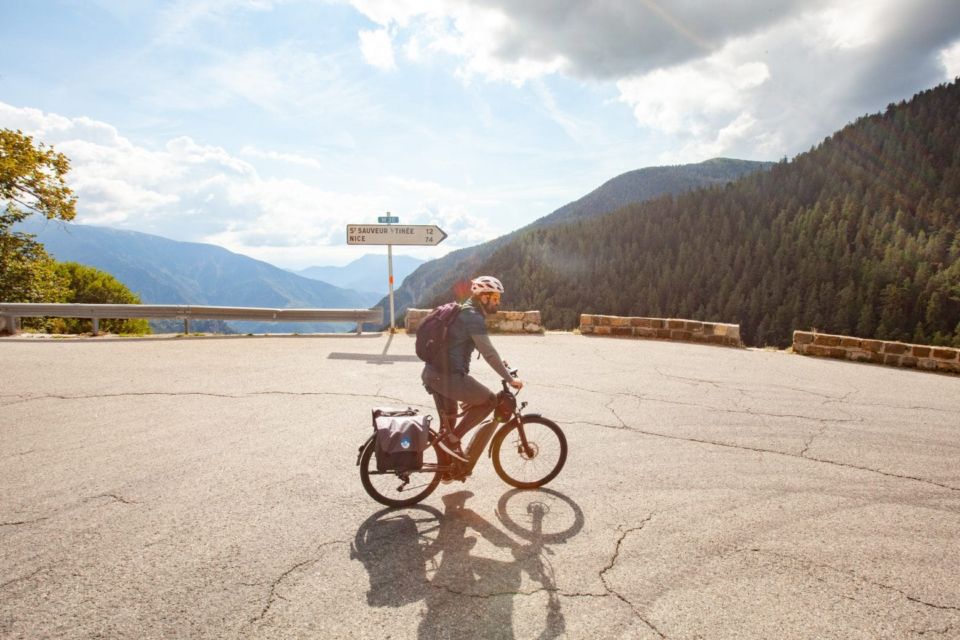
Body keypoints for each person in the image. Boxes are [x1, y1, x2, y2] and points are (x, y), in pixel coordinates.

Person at [421, 276, 524, 467]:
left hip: (433, 374)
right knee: (489, 401)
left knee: (448, 426)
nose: (498, 302)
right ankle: (453, 440)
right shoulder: (473, 317)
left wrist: (501, 363)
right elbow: (488, 353)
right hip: (447, 377)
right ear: (483, 297)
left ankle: (447, 469)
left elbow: (471, 344)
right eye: (495, 298)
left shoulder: (465, 310)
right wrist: (509, 379)